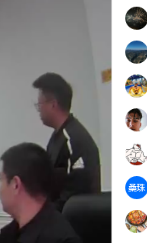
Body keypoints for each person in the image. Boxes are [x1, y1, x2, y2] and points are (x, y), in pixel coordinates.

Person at [33, 73, 102, 211]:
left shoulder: (74, 141)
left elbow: (73, 200)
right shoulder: (57, 137)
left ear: (53, 104)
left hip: (76, 220)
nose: (38, 109)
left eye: (39, 104)